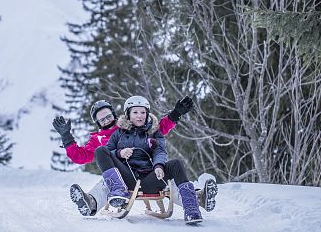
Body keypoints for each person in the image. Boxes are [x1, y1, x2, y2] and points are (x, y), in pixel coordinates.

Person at [52, 96, 210, 216]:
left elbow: (157, 128)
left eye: (108, 116)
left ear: (114, 115)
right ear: (98, 123)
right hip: (119, 174)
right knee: (107, 181)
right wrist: (67, 138)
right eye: (102, 119)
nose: (106, 120)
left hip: (146, 172)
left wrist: (175, 114)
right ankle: (91, 202)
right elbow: (80, 156)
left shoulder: (130, 124)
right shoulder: (98, 140)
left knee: (169, 181)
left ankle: (196, 199)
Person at [94, 96, 204, 225]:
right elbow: (108, 151)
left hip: (149, 180)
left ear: (147, 114)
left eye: (143, 112)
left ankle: (191, 208)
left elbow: (160, 151)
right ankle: (118, 192)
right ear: (128, 114)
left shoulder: (154, 132)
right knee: (100, 151)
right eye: (135, 112)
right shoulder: (119, 133)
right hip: (127, 178)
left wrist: (158, 165)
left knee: (176, 163)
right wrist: (120, 153)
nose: (139, 116)